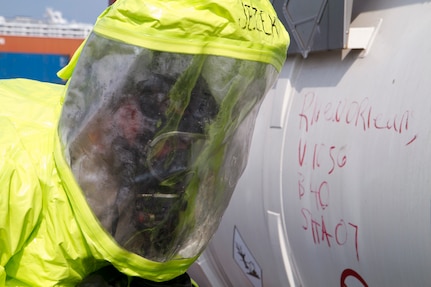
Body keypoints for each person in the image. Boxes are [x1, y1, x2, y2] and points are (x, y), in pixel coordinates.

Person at [0, 0, 289, 286]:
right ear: (119, 102)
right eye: (156, 113)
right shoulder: (13, 162)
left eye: (187, 134)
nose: (174, 149)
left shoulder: (162, 187)